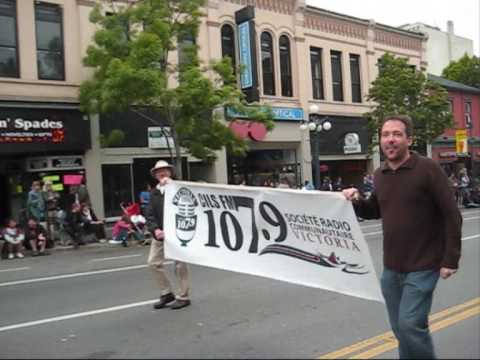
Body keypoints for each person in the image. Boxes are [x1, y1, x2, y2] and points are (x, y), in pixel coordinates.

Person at [342, 115, 462, 359]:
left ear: (409, 139)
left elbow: (452, 215)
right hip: (392, 269)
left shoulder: (427, 168)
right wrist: (355, 200)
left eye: (397, 134)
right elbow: (375, 210)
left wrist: (450, 259)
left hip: (424, 265)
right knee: (401, 330)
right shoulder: (380, 173)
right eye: (386, 135)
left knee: (410, 326)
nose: (391, 140)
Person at [146, 160, 190, 310]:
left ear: (170, 172)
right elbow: (149, 215)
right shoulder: (154, 193)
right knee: (153, 263)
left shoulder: (179, 188)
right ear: (155, 175)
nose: (162, 173)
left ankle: (183, 296)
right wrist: (155, 230)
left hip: (177, 234)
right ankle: (166, 293)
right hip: (160, 235)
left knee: (180, 265)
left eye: (164, 170)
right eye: (159, 171)